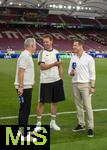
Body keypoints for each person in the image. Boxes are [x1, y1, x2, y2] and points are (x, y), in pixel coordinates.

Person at [36, 34, 65, 131]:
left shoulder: (57, 52)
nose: (45, 43)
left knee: (55, 102)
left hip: (56, 81)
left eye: (47, 41)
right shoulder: (41, 53)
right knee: (41, 102)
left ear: (51, 41)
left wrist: (61, 78)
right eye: (44, 42)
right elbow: (42, 67)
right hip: (45, 81)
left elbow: (60, 66)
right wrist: (54, 64)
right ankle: (38, 123)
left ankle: (53, 122)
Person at [68, 39, 96, 137]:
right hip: (75, 84)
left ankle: (91, 127)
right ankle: (81, 124)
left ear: (80, 46)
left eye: (75, 45)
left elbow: (92, 74)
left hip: (85, 85)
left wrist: (92, 86)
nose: (73, 47)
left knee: (88, 107)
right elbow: (69, 72)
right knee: (78, 106)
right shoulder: (73, 58)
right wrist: (72, 72)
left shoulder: (89, 58)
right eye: (73, 45)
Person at [14, 38, 36, 130]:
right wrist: (21, 87)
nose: (35, 47)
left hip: (26, 86)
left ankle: (23, 127)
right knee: (25, 109)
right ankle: (23, 131)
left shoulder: (27, 55)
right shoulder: (25, 56)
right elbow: (21, 71)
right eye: (35, 45)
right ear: (31, 46)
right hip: (24, 87)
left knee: (24, 108)